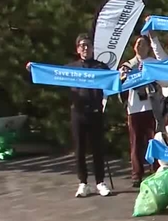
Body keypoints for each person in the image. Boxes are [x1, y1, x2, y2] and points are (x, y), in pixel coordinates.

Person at [30, 34, 112, 197]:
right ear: (77, 49)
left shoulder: (101, 68)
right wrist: (34, 69)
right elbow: (52, 76)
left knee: (98, 149)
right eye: (82, 45)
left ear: (92, 48)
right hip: (78, 113)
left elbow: (113, 82)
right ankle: (83, 183)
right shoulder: (71, 68)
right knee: (79, 149)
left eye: (88, 45)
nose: (85, 48)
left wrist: (122, 76)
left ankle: (100, 182)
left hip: (95, 112)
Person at [120, 36, 160, 188]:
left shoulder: (153, 63)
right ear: (134, 47)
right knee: (136, 143)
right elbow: (120, 87)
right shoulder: (127, 65)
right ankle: (137, 174)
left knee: (153, 140)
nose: (141, 46)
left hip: (151, 107)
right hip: (134, 108)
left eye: (144, 44)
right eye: (138, 44)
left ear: (149, 47)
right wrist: (122, 79)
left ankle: (155, 169)